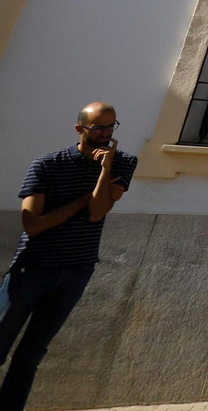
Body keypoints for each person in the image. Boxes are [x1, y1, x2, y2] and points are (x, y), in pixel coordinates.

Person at [1, 102, 135, 411]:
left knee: (30, 356)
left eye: (111, 127)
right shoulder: (47, 164)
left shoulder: (122, 162)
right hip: (32, 269)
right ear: (80, 130)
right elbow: (33, 224)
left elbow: (97, 213)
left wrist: (105, 171)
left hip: (77, 270)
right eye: (98, 128)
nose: (105, 134)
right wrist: (84, 200)